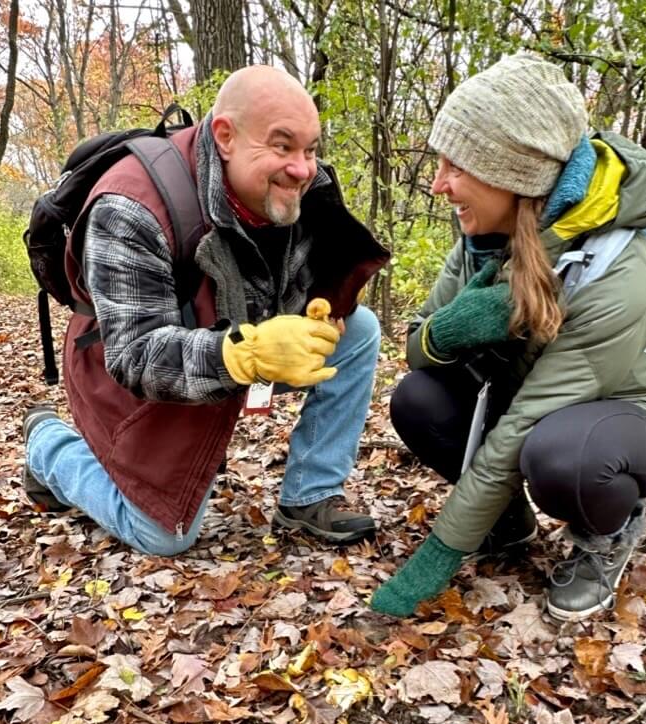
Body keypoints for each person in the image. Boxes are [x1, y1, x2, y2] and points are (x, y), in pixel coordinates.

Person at [370, 53, 646, 621]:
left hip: (633, 412)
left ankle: (608, 532)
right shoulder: (488, 235)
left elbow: (523, 423)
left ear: (512, 175)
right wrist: (456, 326)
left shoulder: (618, 273)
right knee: (417, 397)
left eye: (456, 166)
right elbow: (419, 345)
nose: (438, 183)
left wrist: (440, 554)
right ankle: (508, 525)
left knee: (563, 456)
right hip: (537, 401)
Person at [22, 65, 389, 555]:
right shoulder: (129, 206)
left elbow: (319, 270)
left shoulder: (300, 185)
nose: (302, 168)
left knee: (359, 330)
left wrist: (321, 305)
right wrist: (244, 357)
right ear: (225, 136)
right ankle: (48, 445)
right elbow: (135, 355)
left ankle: (310, 494)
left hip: (226, 327)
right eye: (282, 146)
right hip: (127, 359)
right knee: (162, 535)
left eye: (310, 148)